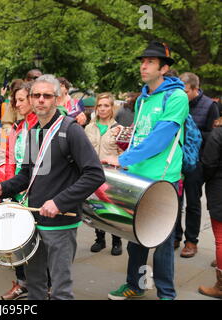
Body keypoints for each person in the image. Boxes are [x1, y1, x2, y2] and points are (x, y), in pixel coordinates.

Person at [0, 74, 105, 300]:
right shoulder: (32, 132)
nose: (41, 100)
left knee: (60, 289)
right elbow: (27, 175)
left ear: (57, 99)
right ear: (30, 99)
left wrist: (59, 202)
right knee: (35, 285)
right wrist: (4, 188)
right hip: (33, 222)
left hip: (61, 222)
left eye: (47, 96)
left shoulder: (71, 130)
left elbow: (94, 174)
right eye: (36, 95)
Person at [103, 41, 188, 300]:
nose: (144, 65)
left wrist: (124, 157)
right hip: (137, 176)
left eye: (150, 62)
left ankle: (166, 294)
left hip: (164, 179)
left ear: (164, 68)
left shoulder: (177, 97)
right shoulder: (143, 99)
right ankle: (135, 285)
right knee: (136, 236)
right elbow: (140, 135)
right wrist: (126, 160)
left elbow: (161, 138)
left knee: (162, 241)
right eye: (143, 61)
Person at [0, 81, 38, 300]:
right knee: (17, 240)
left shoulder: (40, 126)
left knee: (39, 242)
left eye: (22, 99)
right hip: (17, 191)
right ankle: (22, 283)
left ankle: (46, 284)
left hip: (36, 193)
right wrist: (6, 188)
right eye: (15, 100)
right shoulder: (17, 127)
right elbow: (9, 159)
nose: (17, 104)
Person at [174, 72, 219, 258]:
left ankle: (191, 241)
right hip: (176, 161)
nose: (182, 94)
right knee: (174, 202)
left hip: (197, 163)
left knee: (193, 203)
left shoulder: (210, 106)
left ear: (195, 89)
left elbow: (214, 135)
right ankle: (174, 236)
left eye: (185, 91)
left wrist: (193, 134)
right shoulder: (177, 101)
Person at [84, 92, 123, 256]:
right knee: (95, 208)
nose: (102, 109)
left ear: (112, 107)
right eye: (99, 105)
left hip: (111, 175)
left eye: (106, 105)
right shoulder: (88, 128)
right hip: (93, 173)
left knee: (112, 209)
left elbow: (123, 153)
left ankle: (117, 241)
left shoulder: (118, 128)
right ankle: (99, 239)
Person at [199, 126, 222, 298]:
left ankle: (220, 286)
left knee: (221, 238)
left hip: (220, 187)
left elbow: (209, 163)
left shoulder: (219, 132)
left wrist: (204, 178)